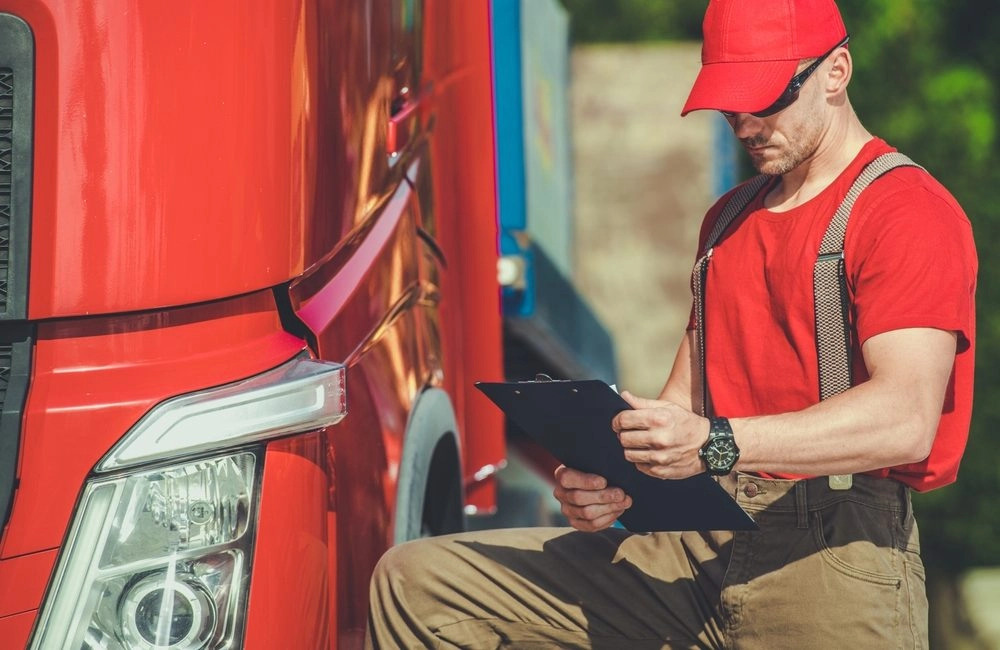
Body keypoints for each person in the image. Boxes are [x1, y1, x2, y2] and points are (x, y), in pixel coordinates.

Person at [365, 0, 978, 647]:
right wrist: (611, 477)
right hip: (692, 547)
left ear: (836, 71)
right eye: (730, 106)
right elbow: (681, 409)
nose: (745, 124)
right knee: (417, 584)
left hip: (833, 560)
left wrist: (715, 444)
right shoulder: (725, 222)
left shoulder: (904, 210)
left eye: (764, 99)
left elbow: (905, 420)